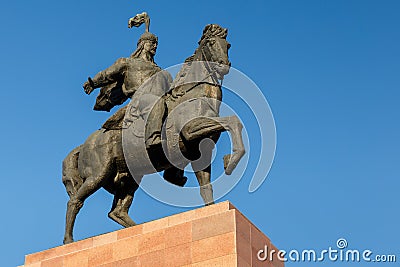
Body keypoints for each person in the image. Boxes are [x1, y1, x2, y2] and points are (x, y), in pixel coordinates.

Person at [83, 31, 169, 149]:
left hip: (161, 99)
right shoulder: (128, 63)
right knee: (157, 103)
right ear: (143, 44)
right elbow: (107, 74)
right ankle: (152, 138)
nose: (155, 46)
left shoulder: (161, 72)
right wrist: (93, 83)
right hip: (140, 101)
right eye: (152, 43)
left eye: (156, 44)